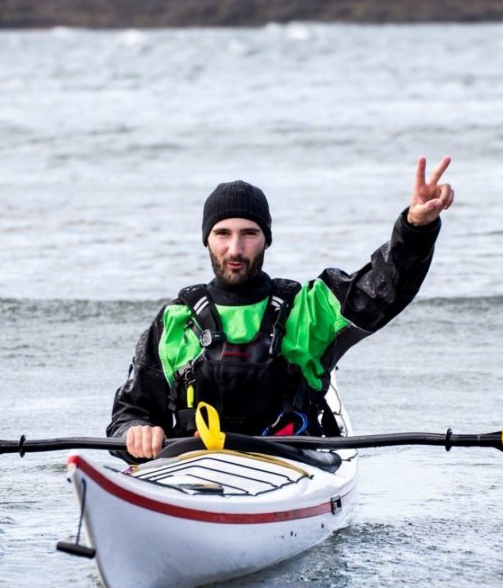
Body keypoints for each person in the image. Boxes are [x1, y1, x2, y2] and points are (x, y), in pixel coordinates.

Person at [107, 156, 454, 461]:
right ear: (207, 240)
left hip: (292, 465)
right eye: (222, 233)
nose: (235, 249)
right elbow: (129, 413)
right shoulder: (175, 321)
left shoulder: (307, 308)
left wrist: (416, 229)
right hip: (190, 468)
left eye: (249, 233)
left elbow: (384, 289)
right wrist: (136, 431)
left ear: (267, 239)